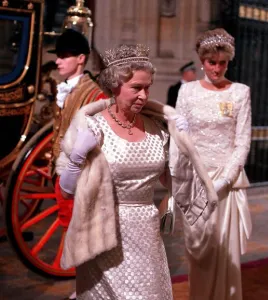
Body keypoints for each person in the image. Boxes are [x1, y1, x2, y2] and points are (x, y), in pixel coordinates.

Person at [55, 44, 218, 300]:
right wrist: (76, 158)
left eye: (147, 87)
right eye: (136, 88)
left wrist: (182, 143)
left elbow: (176, 182)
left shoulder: (156, 128)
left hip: (146, 233)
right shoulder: (93, 127)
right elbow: (66, 191)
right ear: (114, 86)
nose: (144, 95)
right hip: (103, 235)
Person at [176, 28, 252, 300]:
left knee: (224, 250)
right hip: (196, 180)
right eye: (211, 62)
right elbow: (180, 138)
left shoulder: (240, 92)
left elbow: (242, 142)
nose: (217, 68)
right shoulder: (187, 92)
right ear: (202, 60)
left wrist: (223, 180)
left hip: (226, 182)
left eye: (222, 62)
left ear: (229, 62)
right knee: (198, 249)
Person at [48, 28, 106, 300]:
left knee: (83, 235)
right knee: (71, 233)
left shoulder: (93, 94)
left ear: (81, 59)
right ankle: (84, 287)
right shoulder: (65, 90)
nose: (58, 61)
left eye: (64, 56)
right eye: (57, 57)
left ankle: (89, 289)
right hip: (61, 173)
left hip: (81, 176)